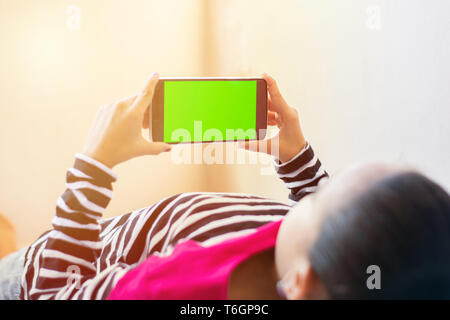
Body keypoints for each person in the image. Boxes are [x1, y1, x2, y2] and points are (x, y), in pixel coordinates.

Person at [1, 73, 449, 300]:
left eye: (322, 200)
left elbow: (55, 295)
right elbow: (342, 232)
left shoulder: (175, 288)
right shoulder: (317, 261)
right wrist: (295, 157)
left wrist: (94, 165)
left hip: (39, 272)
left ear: (300, 280)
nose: (313, 194)